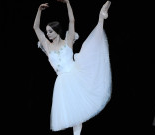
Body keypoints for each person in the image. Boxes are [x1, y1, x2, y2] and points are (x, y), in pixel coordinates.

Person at [33, 0, 112, 134]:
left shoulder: (68, 41)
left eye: (50, 31)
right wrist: (39, 11)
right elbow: (36, 28)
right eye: (47, 32)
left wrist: (68, 4)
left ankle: (100, 18)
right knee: (73, 113)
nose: (47, 34)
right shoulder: (47, 45)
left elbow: (72, 21)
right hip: (62, 83)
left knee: (78, 112)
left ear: (57, 31)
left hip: (75, 75)